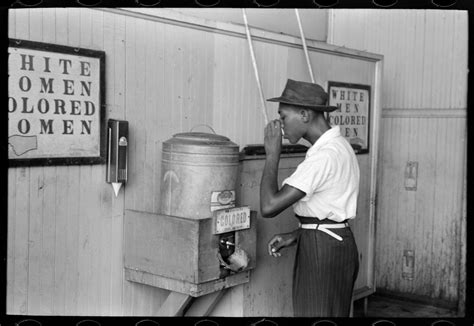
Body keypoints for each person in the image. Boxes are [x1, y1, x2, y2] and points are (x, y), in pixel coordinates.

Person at [260, 79, 360, 317]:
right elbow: (329, 211)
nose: (281, 126)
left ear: (304, 114)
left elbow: (269, 206)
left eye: (283, 117)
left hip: (322, 251)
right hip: (334, 242)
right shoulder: (339, 146)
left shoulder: (324, 156)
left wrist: (272, 154)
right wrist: (297, 236)